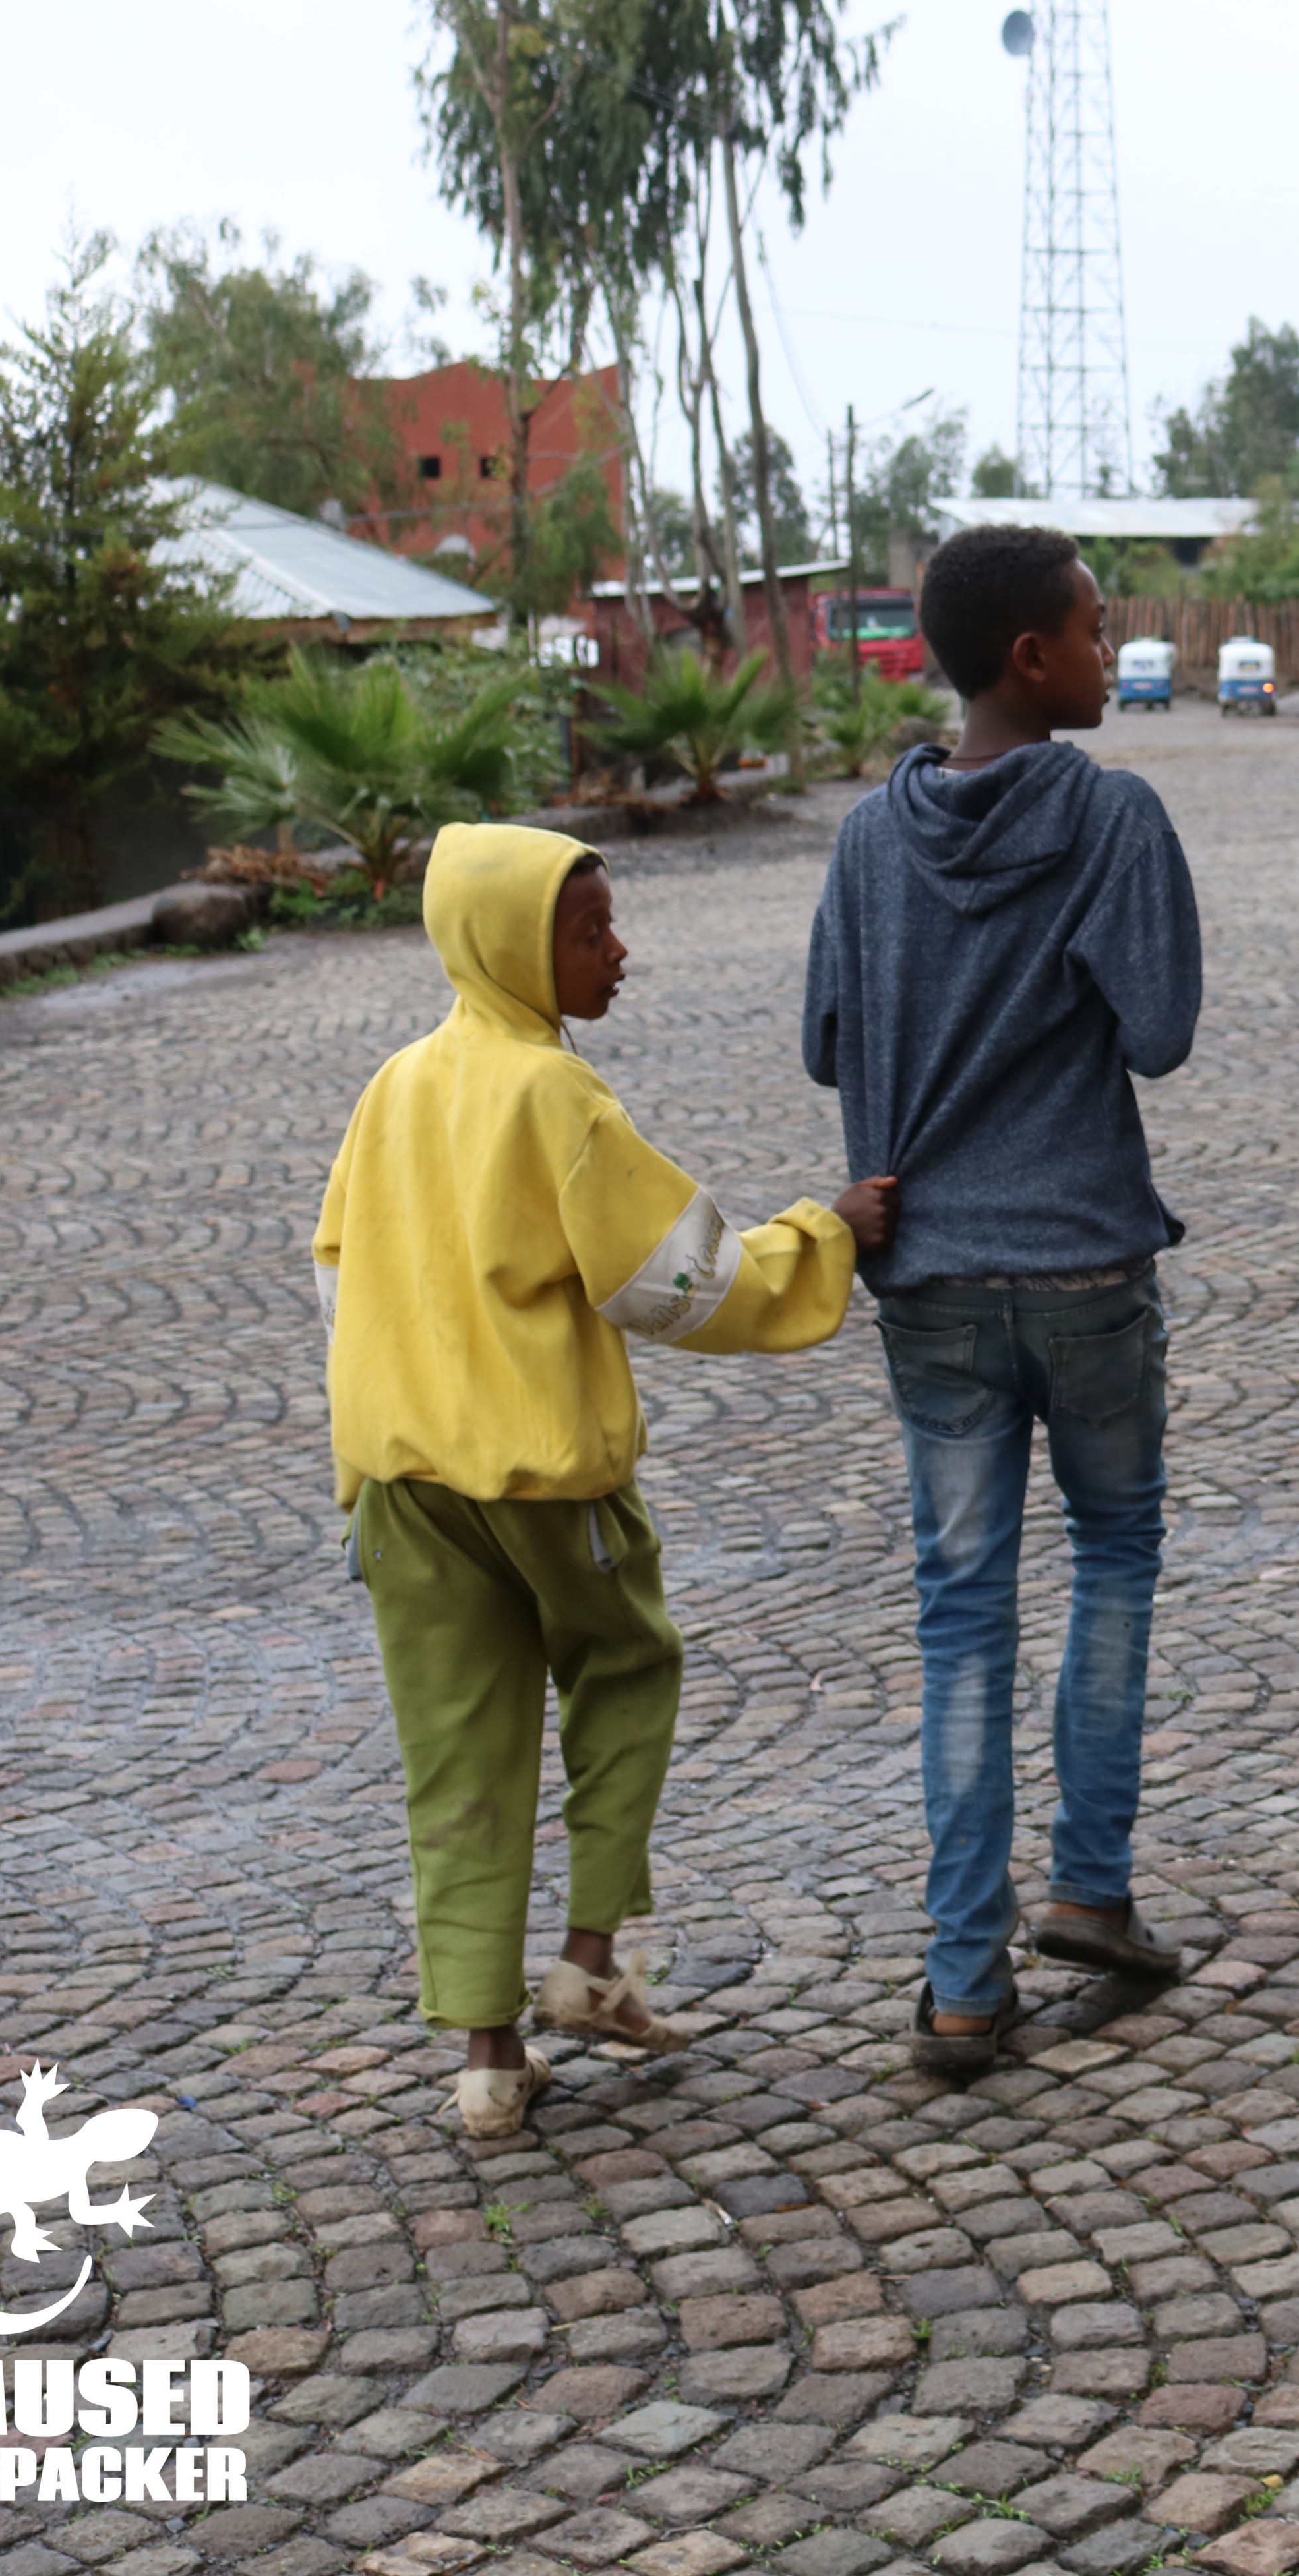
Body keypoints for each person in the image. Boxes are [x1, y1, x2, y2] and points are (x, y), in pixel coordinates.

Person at [317, 823, 893, 2138]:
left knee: (455, 1749)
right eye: (590, 931)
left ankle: (486, 2057)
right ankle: (587, 1958)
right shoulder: (556, 1097)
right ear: (516, 948)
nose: (619, 951)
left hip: (405, 1487)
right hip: (544, 1480)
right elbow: (675, 1279)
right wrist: (826, 1236)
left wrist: (383, 1425)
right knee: (629, 1669)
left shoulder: (393, 1086)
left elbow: (339, 1271)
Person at [805, 521, 1203, 2081]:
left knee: (961, 1608)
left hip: (934, 1281)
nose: (1112, 650)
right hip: (1089, 1264)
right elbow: (1160, 1028)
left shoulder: (867, 841)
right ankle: (1090, 1887)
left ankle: (964, 1979)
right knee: (1115, 1553)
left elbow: (830, 1043)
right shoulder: (1111, 815)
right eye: (1097, 629)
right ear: (1032, 658)